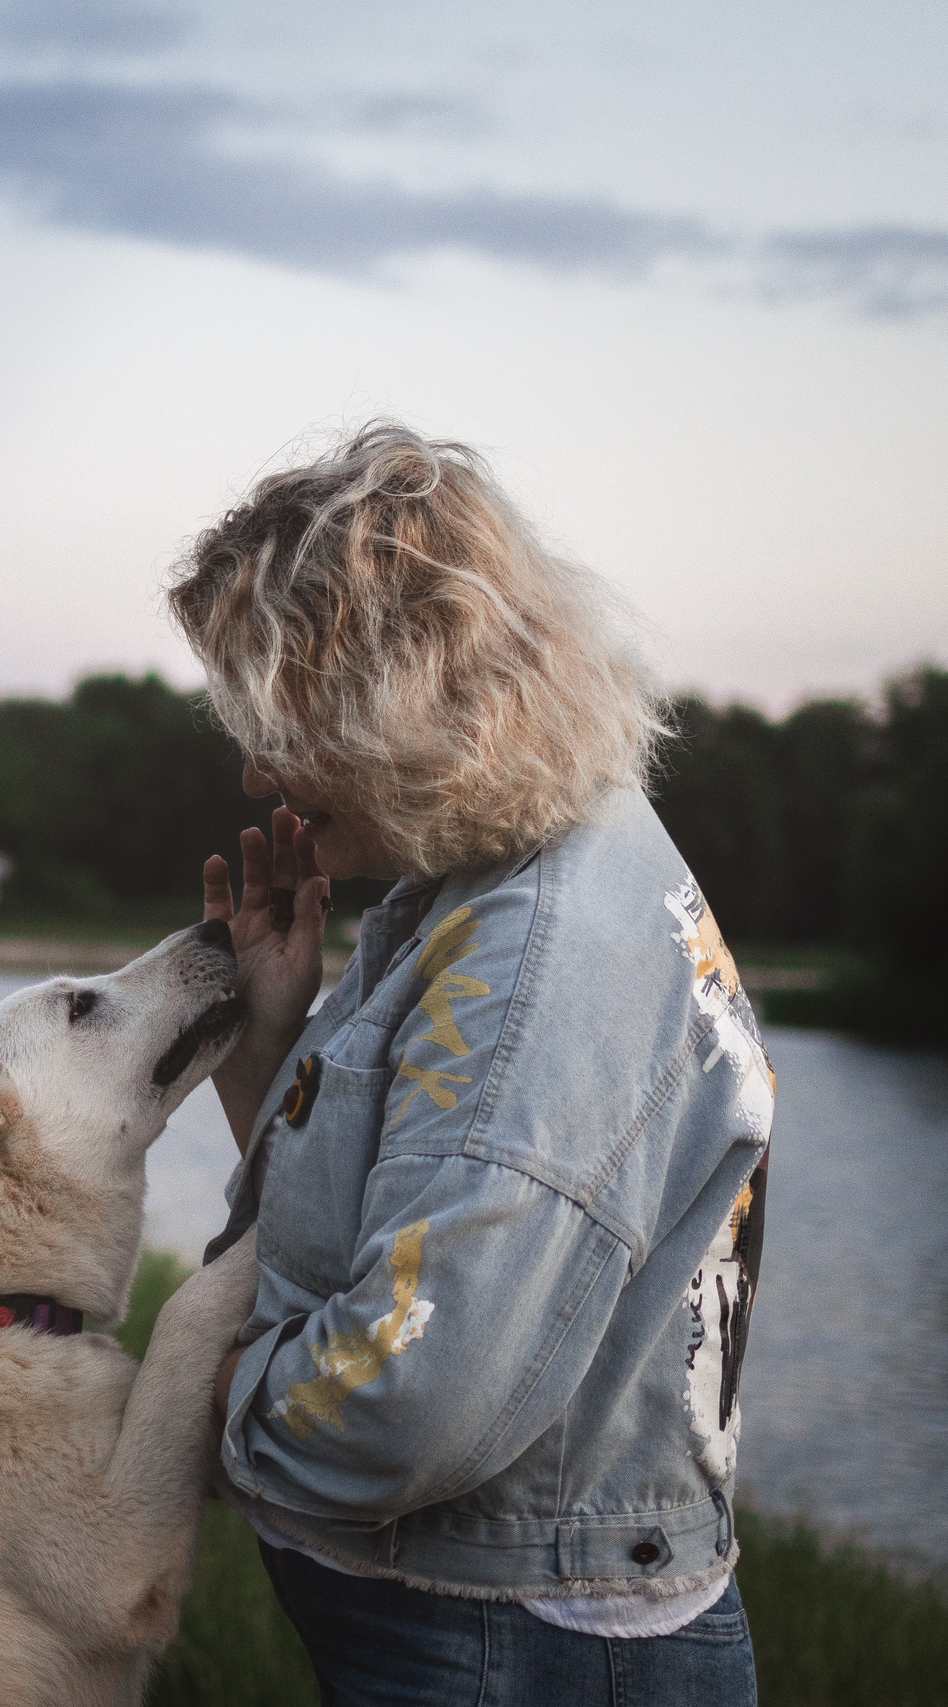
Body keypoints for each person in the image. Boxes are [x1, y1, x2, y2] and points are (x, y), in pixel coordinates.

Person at [168, 422, 770, 1705]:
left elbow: (411, 1394)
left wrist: (206, 1399)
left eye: (278, 719)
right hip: (489, 1634)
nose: (252, 767)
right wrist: (269, 1047)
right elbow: (402, 1236)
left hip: (512, 1651)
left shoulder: (538, 949)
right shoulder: (478, 879)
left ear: (392, 695)